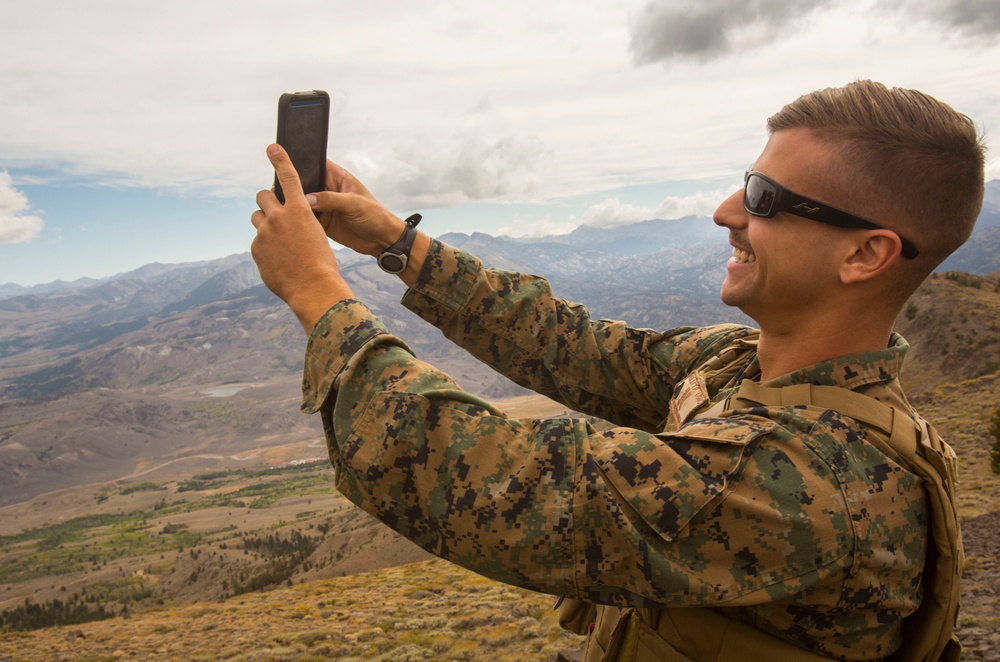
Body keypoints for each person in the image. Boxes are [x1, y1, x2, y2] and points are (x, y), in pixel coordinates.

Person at [250, 80, 985, 661]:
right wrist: (396, 244)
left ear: (866, 255)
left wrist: (317, 292)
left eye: (764, 199)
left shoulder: (817, 484)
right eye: (744, 183)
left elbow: (474, 475)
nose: (727, 210)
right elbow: (571, 344)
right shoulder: (739, 365)